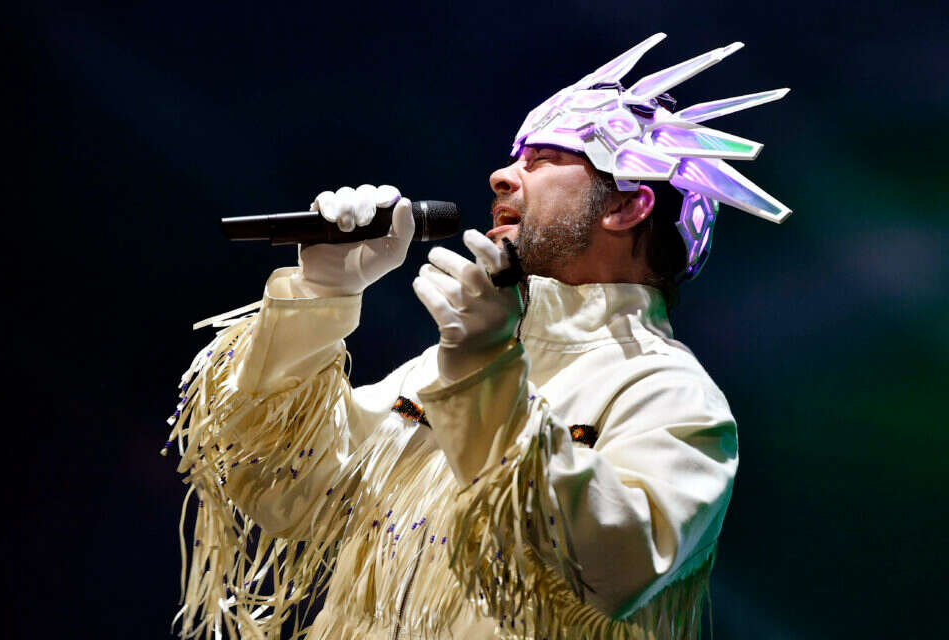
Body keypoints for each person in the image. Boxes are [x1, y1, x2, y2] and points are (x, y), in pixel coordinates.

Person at [164, 33, 790, 640]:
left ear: (626, 207)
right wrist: (320, 295)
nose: (500, 176)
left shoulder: (671, 396)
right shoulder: (438, 367)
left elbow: (613, 569)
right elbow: (283, 493)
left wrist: (487, 369)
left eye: (542, 160)